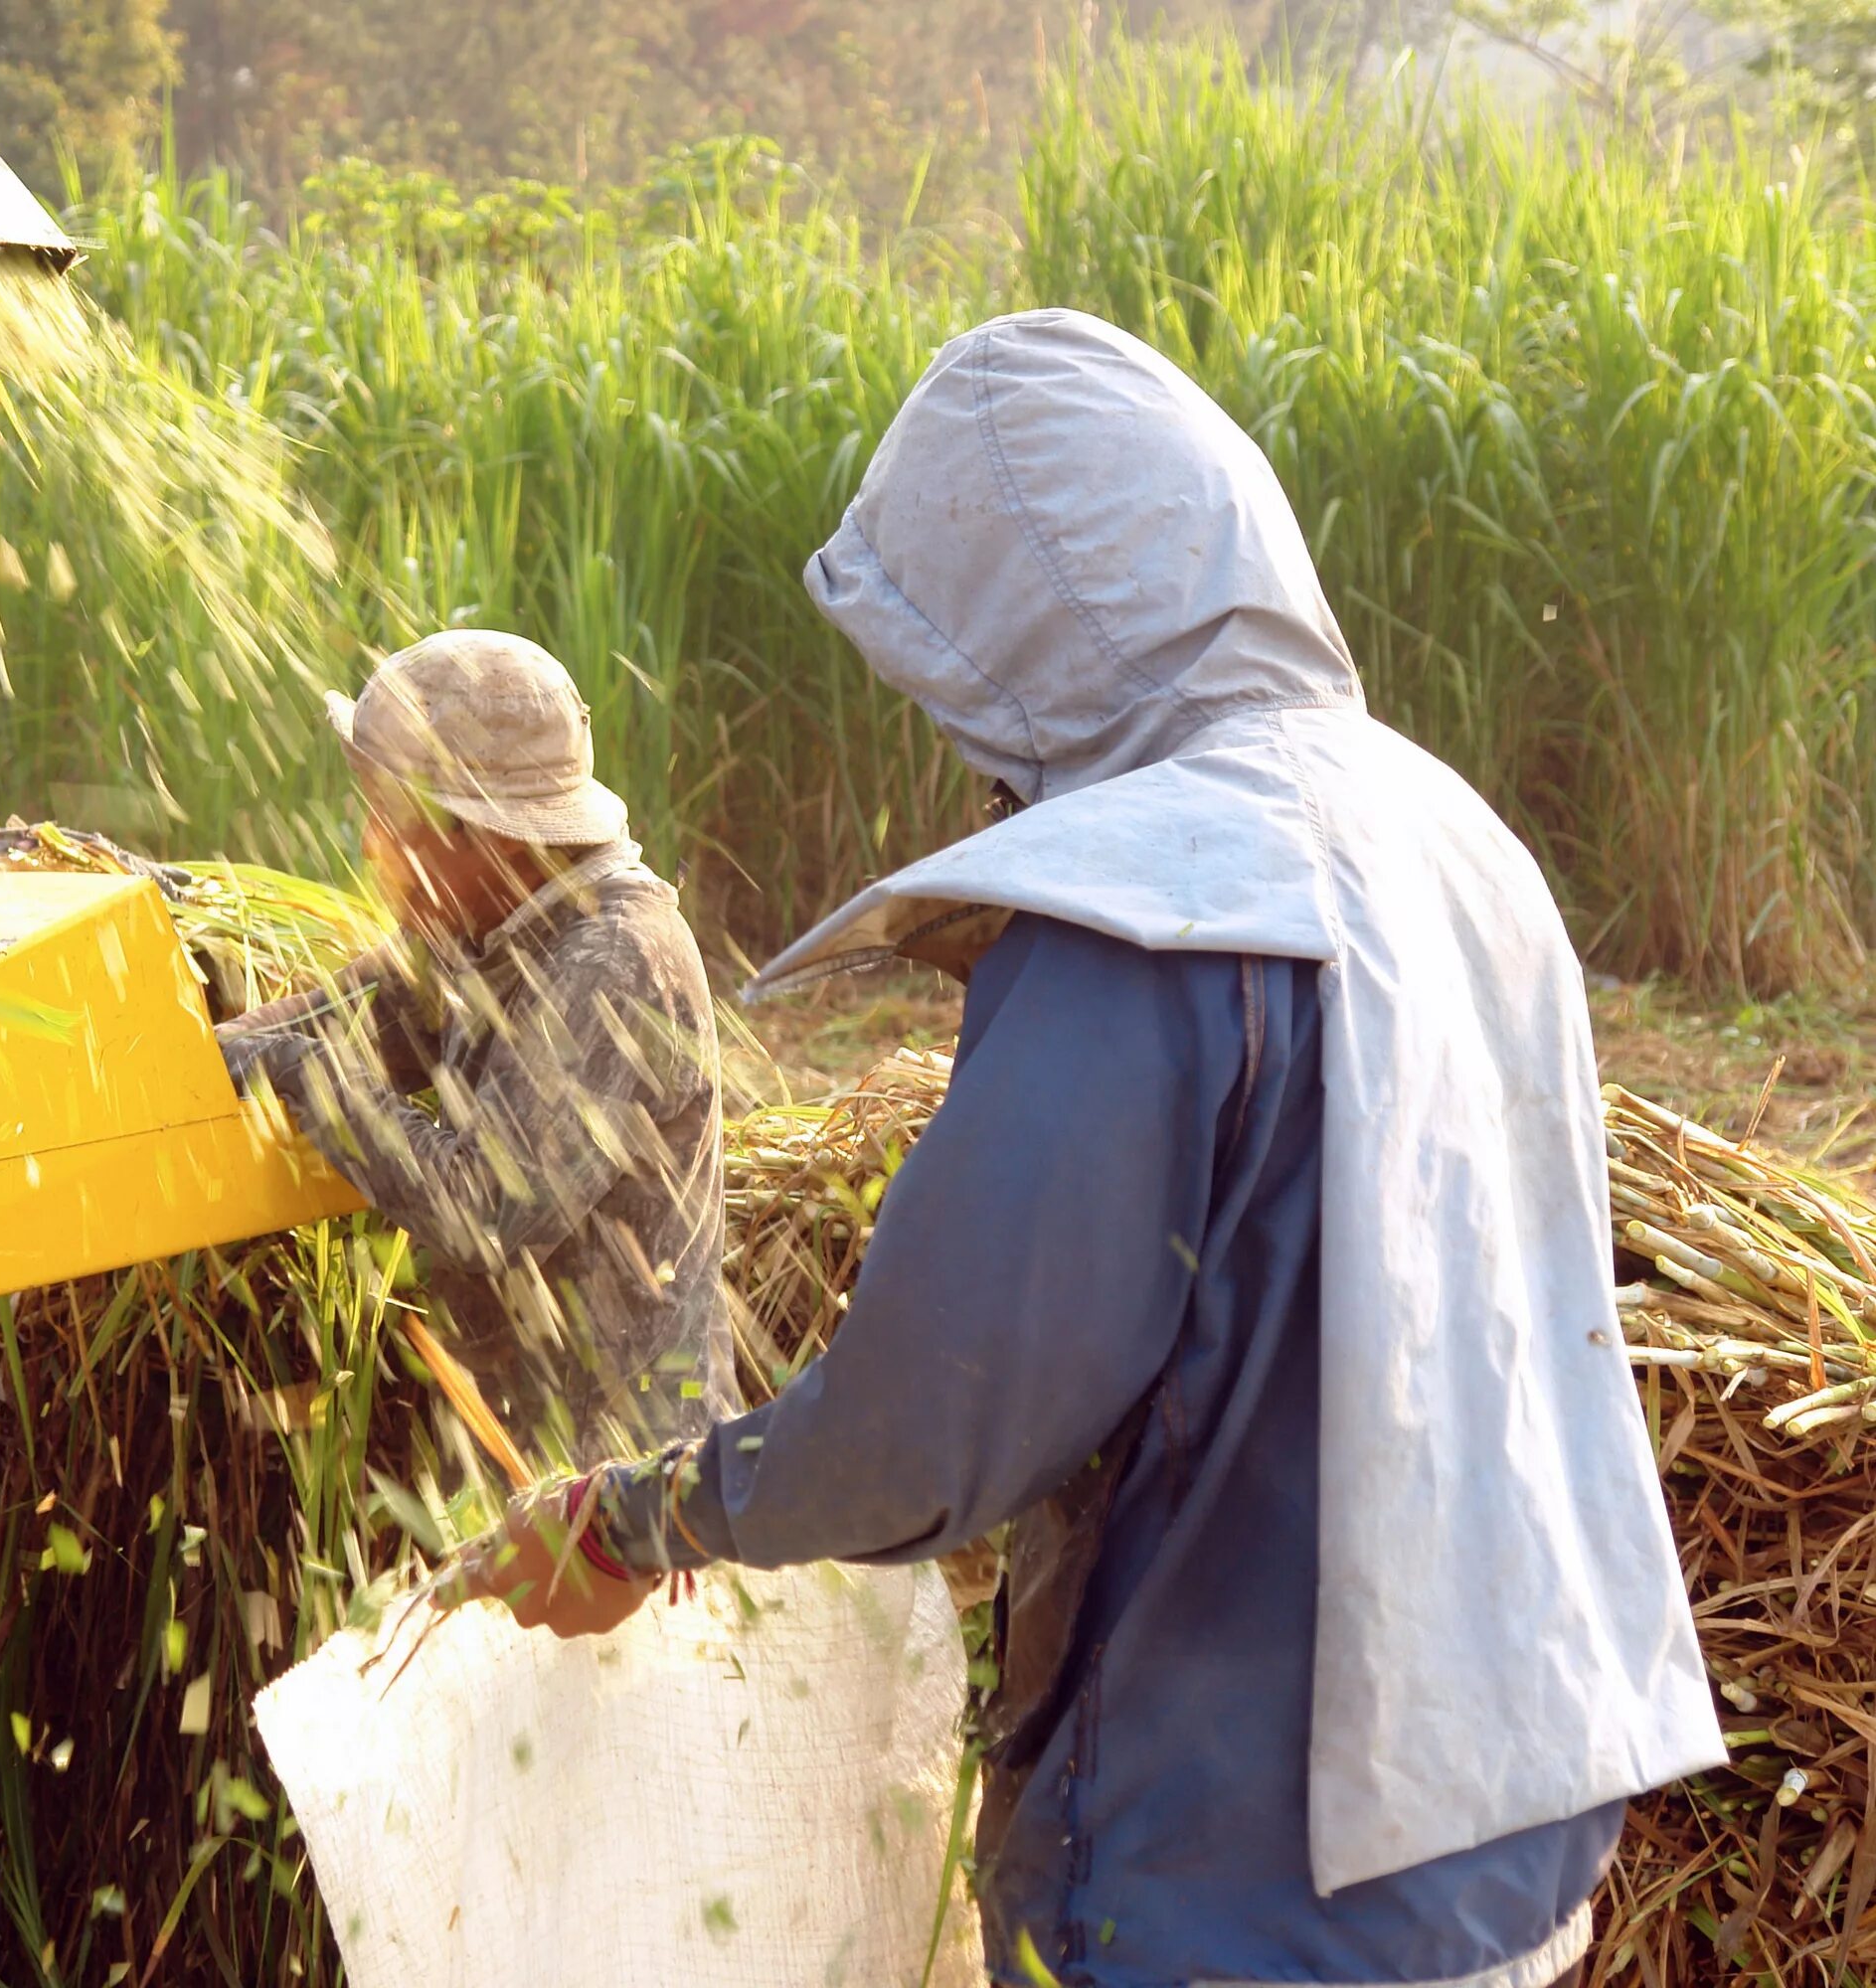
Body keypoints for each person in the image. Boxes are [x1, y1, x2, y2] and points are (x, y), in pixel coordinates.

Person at [451, 312, 1724, 1985]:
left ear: (1026, 626)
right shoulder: (1450, 837)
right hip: (1509, 1811)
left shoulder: (1155, 910)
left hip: (1248, 1876)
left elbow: (932, 1425)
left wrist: (634, 1520)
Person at [216, 629, 741, 1464]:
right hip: (523, 1460)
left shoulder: (617, 958)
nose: (369, 847)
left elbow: (485, 1211)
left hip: (638, 1485)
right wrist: (183, 1049)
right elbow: (318, 1026)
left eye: (389, 821)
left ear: (492, 839)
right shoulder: (483, 930)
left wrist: (307, 1077)